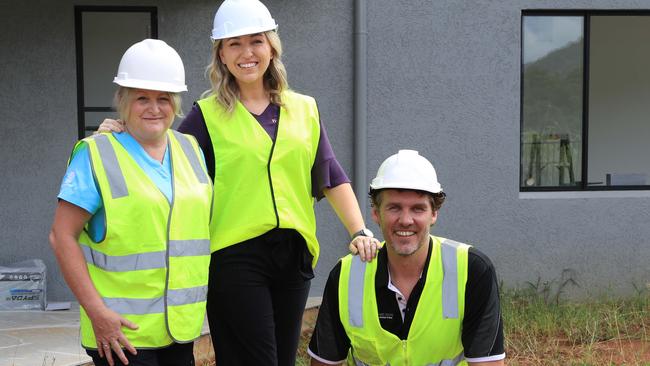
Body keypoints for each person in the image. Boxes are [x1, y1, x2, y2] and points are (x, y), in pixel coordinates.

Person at [97, 0, 380, 364]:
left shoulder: (304, 108)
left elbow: (330, 174)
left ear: (271, 47)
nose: (247, 53)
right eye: (235, 44)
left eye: (256, 41)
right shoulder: (207, 115)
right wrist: (123, 135)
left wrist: (359, 231)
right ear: (222, 55)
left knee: (280, 359)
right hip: (235, 258)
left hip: (294, 255)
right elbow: (163, 148)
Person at [49, 39, 213, 366]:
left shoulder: (191, 149)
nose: (154, 107)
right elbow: (60, 236)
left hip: (179, 330)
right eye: (142, 98)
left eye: (163, 98)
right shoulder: (97, 153)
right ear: (123, 101)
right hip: (120, 334)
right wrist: (97, 313)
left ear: (175, 102)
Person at [308, 149, 506, 365]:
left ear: (434, 214)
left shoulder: (472, 271)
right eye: (394, 208)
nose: (405, 220)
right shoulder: (346, 275)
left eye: (418, 209)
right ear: (376, 213)